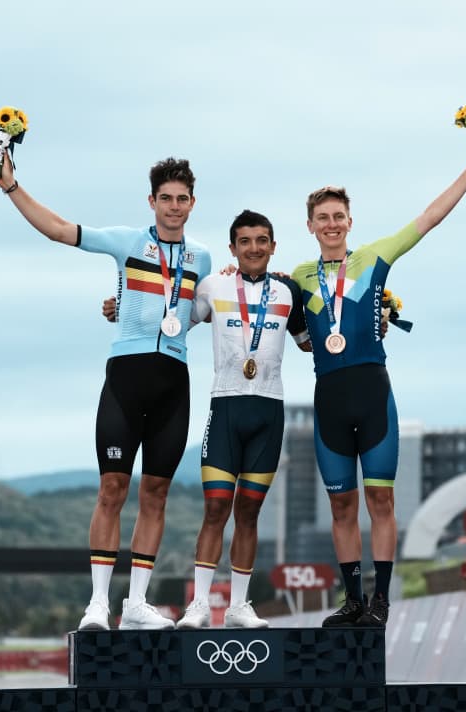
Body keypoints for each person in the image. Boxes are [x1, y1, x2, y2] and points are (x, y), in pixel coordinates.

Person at [0, 153, 212, 630]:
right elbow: (58, 230)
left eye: (182, 199)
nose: (174, 207)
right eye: (166, 199)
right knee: (112, 488)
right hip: (126, 378)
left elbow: (200, 311)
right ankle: (97, 603)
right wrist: (11, 187)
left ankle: (137, 604)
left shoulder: (203, 258)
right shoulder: (127, 242)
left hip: (174, 381)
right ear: (152, 201)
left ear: (193, 203)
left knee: (156, 494)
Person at [293, 135, 466, 627]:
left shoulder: (376, 256)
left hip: (373, 394)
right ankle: (353, 600)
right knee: (341, 505)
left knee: (380, 500)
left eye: (339, 216)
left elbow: (429, 217)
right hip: (329, 398)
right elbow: (286, 321)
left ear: (350, 222)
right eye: (323, 217)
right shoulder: (299, 277)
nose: (331, 224)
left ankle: (380, 600)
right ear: (310, 225)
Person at [170, 210, 311, 629]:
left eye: (261, 240)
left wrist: (371, 324)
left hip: (269, 410)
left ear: (273, 246)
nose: (254, 248)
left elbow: (308, 342)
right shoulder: (213, 286)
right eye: (245, 241)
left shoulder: (288, 291)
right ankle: (199, 605)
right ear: (232, 248)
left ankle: (238, 606)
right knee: (216, 508)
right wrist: (121, 307)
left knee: (249, 511)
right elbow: (174, 321)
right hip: (226, 408)